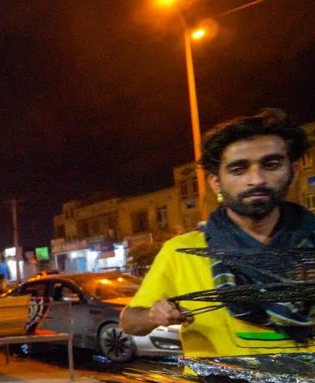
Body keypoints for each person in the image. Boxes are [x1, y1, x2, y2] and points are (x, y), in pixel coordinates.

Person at [121, 108, 315, 357]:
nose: (256, 179)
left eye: (271, 165)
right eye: (238, 169)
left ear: (294, 171)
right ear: (215, 182)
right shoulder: (180, 253)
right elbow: (129, 321)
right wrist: (153, 315)